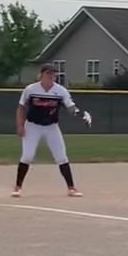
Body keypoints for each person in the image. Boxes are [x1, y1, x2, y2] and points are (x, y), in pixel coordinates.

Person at [14, 65, 91, 198]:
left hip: (51, 127)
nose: (51, 76)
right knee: (27, 156)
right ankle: (18, 187)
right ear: (41, 75)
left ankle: (71, 188)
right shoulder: (31, 89)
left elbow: (70, 107)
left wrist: (81, 114)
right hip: (32, 126)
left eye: (54, 74)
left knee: (61, 157)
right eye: (49, 73)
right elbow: (21, 107)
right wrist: (20, 125)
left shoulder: (60, 91)